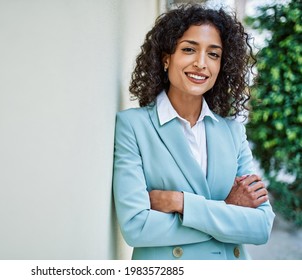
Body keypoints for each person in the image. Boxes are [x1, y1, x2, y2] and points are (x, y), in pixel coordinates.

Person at [112, 4, 275, 260]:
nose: (201, 64)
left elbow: (261, 226)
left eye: (213, 54)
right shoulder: (133, 126)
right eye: (189, 50)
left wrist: (182, 203)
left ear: (222, 65)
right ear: (167, 57)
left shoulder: (232, 132)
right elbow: (137, 227)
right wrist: (228, 209)